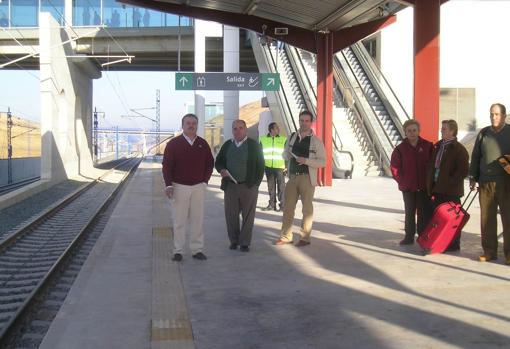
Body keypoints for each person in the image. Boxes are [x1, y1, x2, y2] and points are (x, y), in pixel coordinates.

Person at [162, 113, 214, 262]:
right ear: (182, 125)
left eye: (193, 123)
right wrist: (168, 185)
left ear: (197, 125)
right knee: (179, 220)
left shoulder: (202, 144)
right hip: (179, 187)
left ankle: (197, 249)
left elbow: (210, 163)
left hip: (198, 187)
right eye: (188, 123)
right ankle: (178, 250)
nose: (191, 125)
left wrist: (205, 181)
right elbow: (166, 166)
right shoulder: (173, 144)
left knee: (197, 220)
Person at [274, 110, 325, 247]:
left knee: (307, 209)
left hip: (307, 178)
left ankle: (305, 238)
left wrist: (306, 161)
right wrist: (287, 156)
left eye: (306, 121)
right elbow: (285, 154)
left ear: (311, 122)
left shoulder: (316, 141)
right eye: (301, 120)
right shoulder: (292, 137)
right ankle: (286, 237)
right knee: (288, 208)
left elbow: (322, 162)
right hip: (292, 177)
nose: (303, 123)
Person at [215, 120, 265, 252]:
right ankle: (234, 241)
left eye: (240, 128)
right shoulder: (227, 145)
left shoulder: (254, 146)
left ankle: (244, 242)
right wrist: (221, 170)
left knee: (248, 216)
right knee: (230, 215)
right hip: (230, 186)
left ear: (246, 130)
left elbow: (260, 166)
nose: (238, 131)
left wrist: (255, 185)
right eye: (235, 129)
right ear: (232, 131)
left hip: (248, 186)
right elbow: (218, 162)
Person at [469, 103, 510, 264]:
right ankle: (489, 251)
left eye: (497, 114)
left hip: (506, 183)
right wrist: (473, 177)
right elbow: (476, 156)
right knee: (487, 219)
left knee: (508, 219)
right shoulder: (484, 133)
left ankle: (509, 254)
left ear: (504, 116)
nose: (494, 117)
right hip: (485, 183)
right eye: (492, 114)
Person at [426, 119, 469, 251]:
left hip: (451, 191)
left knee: (453, 219)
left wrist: (450, 182)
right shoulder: (438, 146)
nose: (441, 130)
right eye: (442, 128)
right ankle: (440, 242)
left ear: (452, 131)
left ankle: (454, 244)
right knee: (439, 218)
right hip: (437, 188)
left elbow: (463, 170)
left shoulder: (459, 149)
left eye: (444, 129)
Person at [390, 119, 433, 245]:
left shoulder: (428, 146)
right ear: (405, 133)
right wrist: (402, 181)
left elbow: (433, 165)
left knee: (423, 213)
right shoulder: (399, 149)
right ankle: (409, 237)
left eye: (414, 130)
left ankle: (422, 236)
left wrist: (430, 183)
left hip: (423, 188)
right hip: (408, 188)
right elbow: (394, 168)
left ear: (419, 131)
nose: (412, 133)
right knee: (409, 212)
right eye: (409, 131)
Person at [259, 122, 287, 212]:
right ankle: (271, 205)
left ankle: (282, 206)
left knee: (281, 187)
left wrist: (286, 166)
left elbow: (287, 154)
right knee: (271, 187)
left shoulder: (283, 139)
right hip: (268, 167)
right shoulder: (263, 140)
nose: (278, 129)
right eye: (276, 128)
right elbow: (259, 154)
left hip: (280, 167)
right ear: (271, 130)